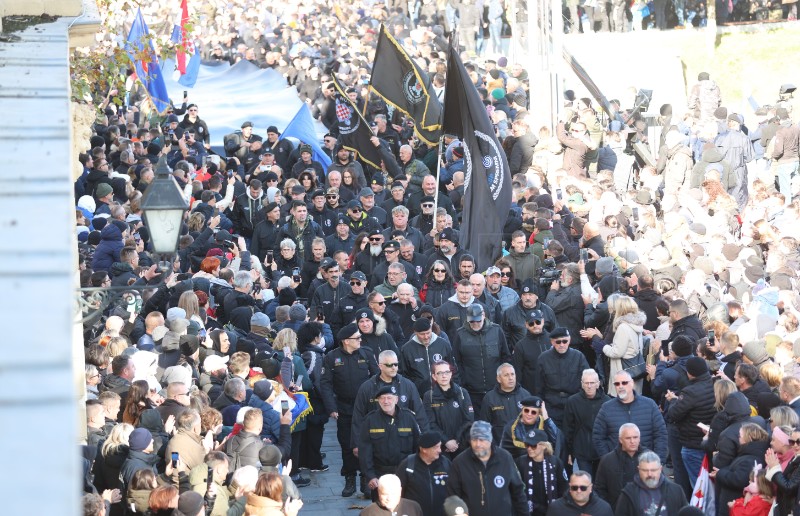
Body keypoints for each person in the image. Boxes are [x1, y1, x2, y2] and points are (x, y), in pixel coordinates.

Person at [320, 323, 379, 498]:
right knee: (347, 444)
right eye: (357, 338)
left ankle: (365, 479)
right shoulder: (332, 358)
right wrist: (331, 408)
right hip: (344, 408)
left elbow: (376, 378)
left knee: (367, 444)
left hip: (366, 408)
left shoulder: (366, 354)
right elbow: (325, 384)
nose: (360, 340)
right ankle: (349, 478)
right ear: (346, 341)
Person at [351, 350, 428, 455]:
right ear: (380, 366)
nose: (393, 367)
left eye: (396, 364)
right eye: (389, 365)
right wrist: (356, 443)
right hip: (376, 442)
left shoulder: (408, 385)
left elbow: (419, 414)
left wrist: (426, 440)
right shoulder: (367, 387)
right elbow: (358, 416)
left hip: (403, 442)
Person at [446, 421, 528, 516]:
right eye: (474, 439)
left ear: (490, 439)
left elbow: (518, 493)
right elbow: (453, 498)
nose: (478, 444)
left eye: (482, 440)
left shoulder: (505, 458)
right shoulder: (459, 462)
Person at [358, 386, 421, 501]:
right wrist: (370, 476)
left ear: (396, 399)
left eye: (389, 398)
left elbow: (418, 447)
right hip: (380, 474)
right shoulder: (370, 420)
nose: (386, 401)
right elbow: (364, 451)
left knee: (406, 508)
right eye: (382, 398)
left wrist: (417, 471)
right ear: (378, 401)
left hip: (405, 473)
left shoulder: (409, 418)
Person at [665, 356, 717, 496]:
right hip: (710, 442)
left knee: (698, 488)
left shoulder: (690, 391)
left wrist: (672, 401)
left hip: (692, 445)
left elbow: (674, 414)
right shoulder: (715, 384)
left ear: (690, 373)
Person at [592, 371, 668, 463]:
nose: (620, 386)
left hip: (646, 464)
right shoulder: (606, 408)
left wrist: (657, 461)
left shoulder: (649, 405)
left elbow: (661, 434)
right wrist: (608, 460)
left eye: (624, 382)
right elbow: (598, 437)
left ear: (632, 383)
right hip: (618, 466)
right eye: (617, 384)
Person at [451, 303, 511, 414]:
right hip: (472, 390)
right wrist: (463, 382)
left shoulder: (497, 331)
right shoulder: (460, 334)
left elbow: (505, 357)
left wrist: (502, 380)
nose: (475, 324)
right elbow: (456, 361)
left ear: (483, 315)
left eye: (478, 320)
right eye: (472, 321)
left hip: (495, 388)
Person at [534, 327, 590, 428]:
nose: (562, 345)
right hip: (551, 407)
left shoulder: (578, 357)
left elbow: (587, 382)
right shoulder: (543, 359)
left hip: (574, 405)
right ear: (552, 342)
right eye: (558, 342)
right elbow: (538, 387)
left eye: (565, 341)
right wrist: (541, 408)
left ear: (569, 340)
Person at [712, 423, 770, 516]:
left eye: (740, 436)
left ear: (749, 438)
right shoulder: (749, 452)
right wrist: (721, 472)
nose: (738, 438)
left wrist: (720, 474)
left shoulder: (751, 458)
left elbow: (739, 479)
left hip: (735, 504)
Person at [562, 369, 611, 476]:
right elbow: (568, 428)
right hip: (582, 451)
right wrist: (569, 452)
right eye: (586, 383)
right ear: (582, 384)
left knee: (599, 484)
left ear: (598, 384)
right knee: (586, 482)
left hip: (601, 451)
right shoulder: (573, 401)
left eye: (592, 383)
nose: (589, 386)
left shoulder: (607, 402)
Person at [423, 360, 475, 459]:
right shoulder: (429, 396)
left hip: (462, 446)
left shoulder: (462, 393)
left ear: (451, 374)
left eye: (446, 372)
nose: (444, 376)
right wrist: (446, 441)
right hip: (440, 448)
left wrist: (456, 441)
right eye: (440, 373)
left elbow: (469, 420)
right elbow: (430, 423)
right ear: (434, 376)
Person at [395, 432, 453, 516]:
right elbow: (397, 492)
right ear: (424, 449)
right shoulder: (407, 465)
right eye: (436, 447)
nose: (440, 450)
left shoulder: (446, 463)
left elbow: (454, 489)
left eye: (440, 446)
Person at [614, 451, 688, 515]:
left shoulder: (676, 490)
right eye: (645, 470)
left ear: (660, 469)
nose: (649, 474)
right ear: (638, 469)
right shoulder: (628, 493)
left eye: (653, 470)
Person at [514, 429, 568, 516]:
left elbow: (564, 488)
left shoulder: (555, 462)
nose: (529, 449)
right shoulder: (520, 462)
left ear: (544, 446)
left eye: (533, 445)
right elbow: (516, 489)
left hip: (551, 510)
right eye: (527, 445)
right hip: (528, 512)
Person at [399, 317, 455, 396]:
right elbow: (404, 374)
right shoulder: (407, 349)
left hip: (444, 393)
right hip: (419, 395)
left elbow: (453, 369)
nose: (426, 336)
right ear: (415, 332)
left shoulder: (443, 345)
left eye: (428, 333)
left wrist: (453, 390)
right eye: (422, 334)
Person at [594, 423, 645, 509]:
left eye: (635, 437)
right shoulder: (607, 460)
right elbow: (600, 489)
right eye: (628, 438)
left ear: (639, 438)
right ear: (620, 440)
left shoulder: (650, 458)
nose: (632, 441)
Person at [481, 363, 532, 443]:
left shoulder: (525, 395)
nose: (510, 378)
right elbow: (484, 426)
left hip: (522, 445)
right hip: (499, 446)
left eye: (512, 374)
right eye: (506, 375)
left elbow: (533, 422)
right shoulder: (489, 398)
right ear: (499, 379)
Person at [511, 310, 552, 393]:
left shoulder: (553, 340)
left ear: (543, 321)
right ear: (526, 325)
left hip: (552, 391)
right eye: (531, 323)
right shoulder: (520, 346)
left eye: (538, 322)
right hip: (531, 392)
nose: (535, 325)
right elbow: (518, 372)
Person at [546, 470, 614, 516]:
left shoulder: (604, 508)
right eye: (574, 488)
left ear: (590, 488)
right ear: (570, 487)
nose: (579, 491)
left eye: (583, 488)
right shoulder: (555, 508)